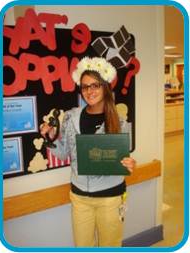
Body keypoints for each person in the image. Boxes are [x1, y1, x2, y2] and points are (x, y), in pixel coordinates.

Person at [40, 57, 136, 247]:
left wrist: (131, 164)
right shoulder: (70, 117)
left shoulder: (121, 121)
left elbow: (124, 159)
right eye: (85, 87)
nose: (89, 91)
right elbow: (63, 153)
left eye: (95, 85)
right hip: (80, 197)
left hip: (111, 197)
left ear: (105, 87)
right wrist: (51, 137)